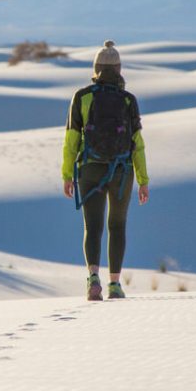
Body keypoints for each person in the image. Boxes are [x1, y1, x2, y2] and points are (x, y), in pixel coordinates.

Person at [61, 40, 149, 301]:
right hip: (122, 171)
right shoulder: (128, 100)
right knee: (117, 225)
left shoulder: (82, 96)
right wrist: (143, 180)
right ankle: (114, 284)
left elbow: (71, 141)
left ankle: (93, 279)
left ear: (96, 67)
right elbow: (138, 144)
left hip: (89, 169)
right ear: (119, 68)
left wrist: (67, 174)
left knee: (93, 226)